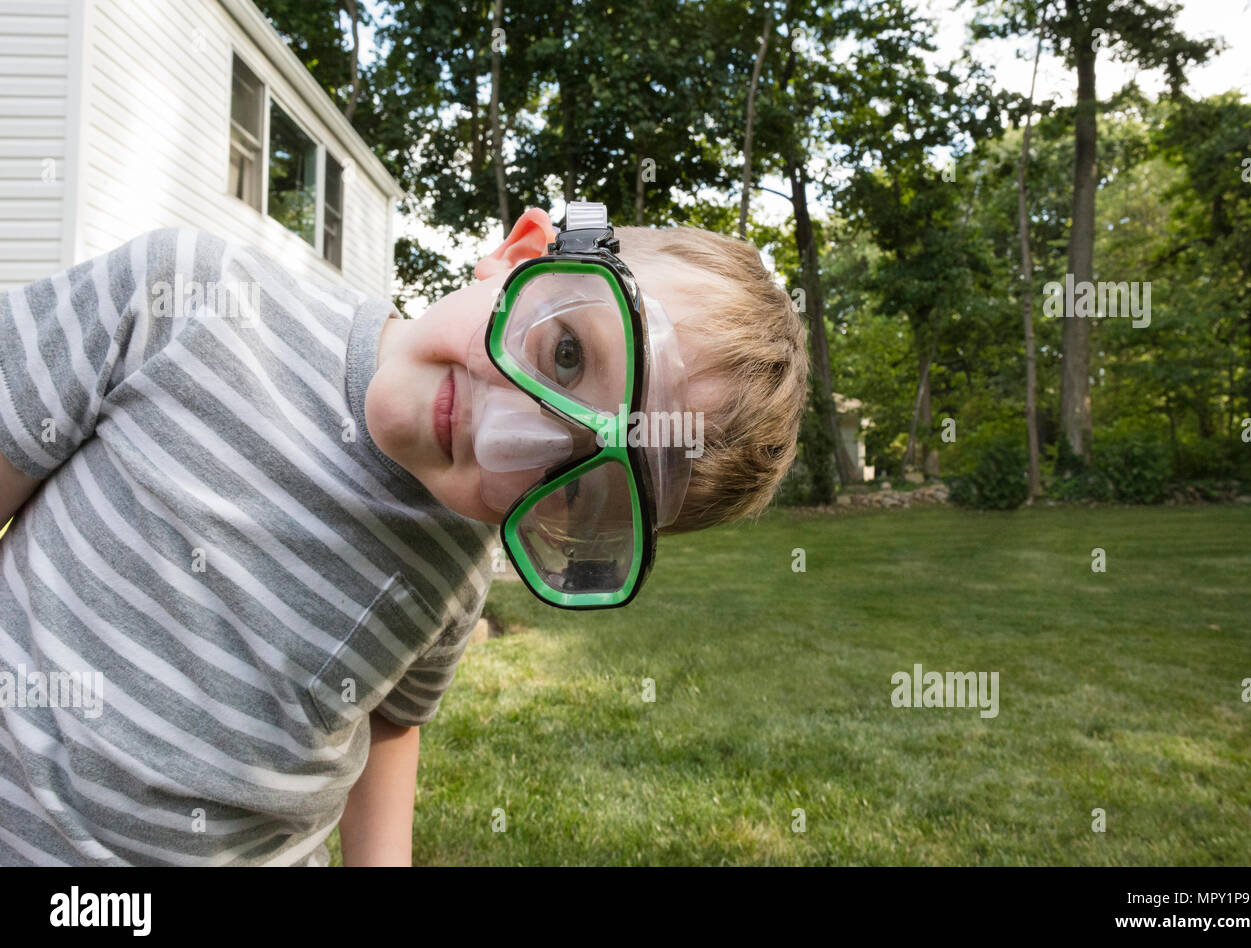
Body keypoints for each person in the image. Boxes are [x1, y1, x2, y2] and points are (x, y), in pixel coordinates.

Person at [0, 202, 807, 865]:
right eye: (566, 353)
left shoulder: (455, 567)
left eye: (581, 477)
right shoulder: (186, 300)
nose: (508, 435)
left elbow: (388, 723)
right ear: (518, 251)